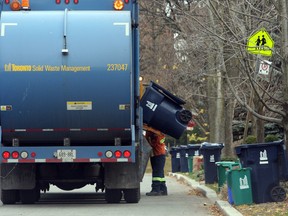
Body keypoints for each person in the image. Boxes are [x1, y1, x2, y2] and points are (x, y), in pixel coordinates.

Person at [144, 125, 168, 196]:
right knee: (160, 173)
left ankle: (155, 190)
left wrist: (149, 129)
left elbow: (155, 141)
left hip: (159, 155)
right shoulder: (154, 134)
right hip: (156, 155)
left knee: (157, 173)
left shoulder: (160, 135)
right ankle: (163, 189)